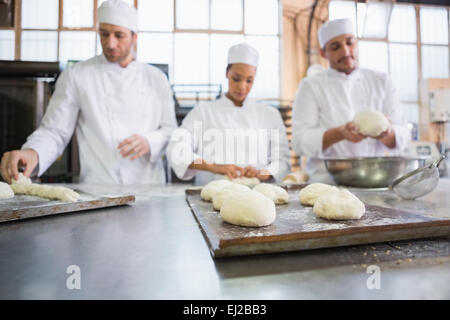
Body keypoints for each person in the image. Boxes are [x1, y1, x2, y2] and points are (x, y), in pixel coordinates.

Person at [0, 0, 177, 184]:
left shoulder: (156, 79)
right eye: (104, 34)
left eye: (119, 35)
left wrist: (150, 141)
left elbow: (171, 130)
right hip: (99, 186)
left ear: (134, 37)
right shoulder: (77, 75)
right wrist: (32, 152)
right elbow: (55, 131)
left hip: (149, 186)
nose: (110, 43)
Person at [291, 18, 410, 180]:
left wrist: (387, 133)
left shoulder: (382, 81)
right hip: (327, 182)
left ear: (357, 43)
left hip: (375, 178)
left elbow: (403, 134)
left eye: (349, 42)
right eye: (335, 47)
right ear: (323, 53)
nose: (346, 51)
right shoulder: (311, 86)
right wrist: (340, 133)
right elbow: (300, 142)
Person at [167, 43, 290, 185]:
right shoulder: (204, 112)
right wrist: (212, 167)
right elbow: (176, 149)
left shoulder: (269, 115)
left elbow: (282, 161)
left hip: (256, 195)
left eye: (249, 80)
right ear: (227, 73)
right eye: (236, 78)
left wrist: (262, 172)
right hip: (209, 195)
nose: (242, 86)